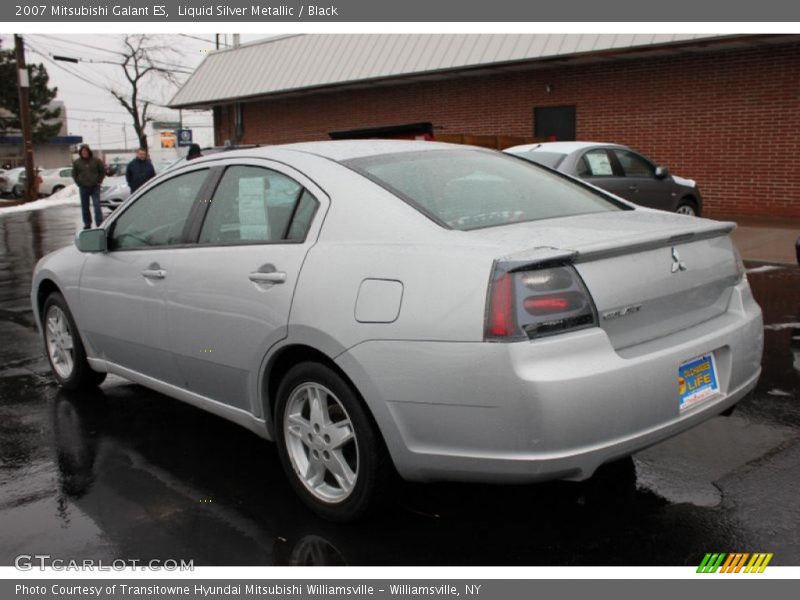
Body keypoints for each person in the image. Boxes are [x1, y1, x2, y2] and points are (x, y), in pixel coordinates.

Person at [72, 144, 105, 229]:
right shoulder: (77, 162)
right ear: (80, 152)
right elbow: (74, 174)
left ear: (89, 151)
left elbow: (102, 171)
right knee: (85, 206)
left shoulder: (96, 161)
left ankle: (99, 222)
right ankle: (87, 223)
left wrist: (99, 181)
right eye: (83, 151)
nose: (84, 152)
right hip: (83, 187)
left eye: (86, 151)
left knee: (97, 204)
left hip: (95, 186)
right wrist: (79, 183)